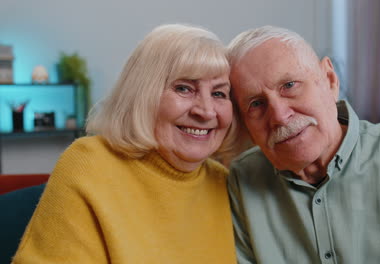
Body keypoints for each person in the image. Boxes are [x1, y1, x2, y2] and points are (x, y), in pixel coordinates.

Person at [226, 25, 380, 263]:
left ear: (330, 80)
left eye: (289, 86)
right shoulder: (241, 181)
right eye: (256, 104)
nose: (279, 115)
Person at [13, 24, 237, 263]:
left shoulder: (223, 182)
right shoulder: (89, 164)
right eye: (183, 88)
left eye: (219, 93)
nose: (205, 111)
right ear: (143, 94)